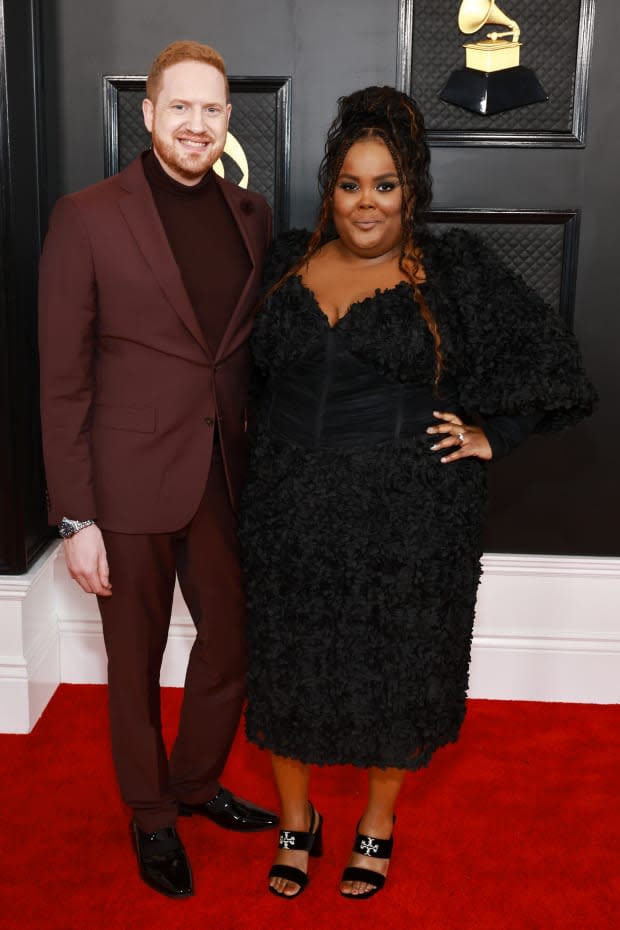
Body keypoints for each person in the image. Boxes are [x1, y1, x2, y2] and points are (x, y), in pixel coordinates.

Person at [239, 86, 596, 900]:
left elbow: (553, 367)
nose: (367, 203)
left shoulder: (452, 270)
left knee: (396, 671)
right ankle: (298, 820)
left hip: (410, 515)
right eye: (352, 184)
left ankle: (377, 823)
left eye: (386, 184)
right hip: (287, 507)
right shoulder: (286, 260)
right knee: (285, 666)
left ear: (412, 191)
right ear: (331, 189)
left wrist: (490, 434)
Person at [38, 40, 278, 899]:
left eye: (212, 110)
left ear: (226, 122)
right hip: (125, 484)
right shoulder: (88, 215)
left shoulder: (252, 214)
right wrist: (76, 516)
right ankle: (150, 814)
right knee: (133, 664)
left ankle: (194, 782)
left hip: (223, 475)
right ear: (147, 114)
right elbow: (62, 377)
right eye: (180, 107)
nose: (197, 124)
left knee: (232, 642)